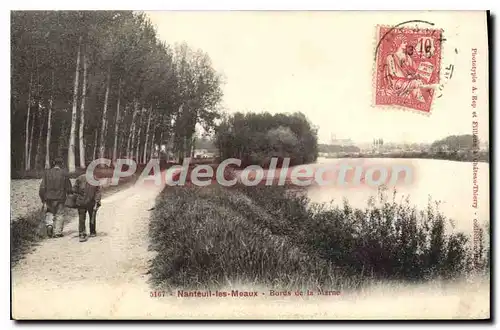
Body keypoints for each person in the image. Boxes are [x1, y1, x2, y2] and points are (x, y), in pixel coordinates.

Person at [39, 157, 73, 238]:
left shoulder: (47, 173)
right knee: (60, 214)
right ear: (61, 164)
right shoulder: (64, 173)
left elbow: (42, 187)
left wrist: (43, 198)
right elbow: (68, 187)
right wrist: (69, 195)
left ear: (54, 163)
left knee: (49, 212)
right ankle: (57, 232)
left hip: (48, 197)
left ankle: (49, 225)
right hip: (60, 197)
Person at [73, 172, 101, 242]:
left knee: (82, 218)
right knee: (92, 216)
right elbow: (98, 191)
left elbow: (74, 189)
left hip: (81, 201)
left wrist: (78, 196)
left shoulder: (80, 178)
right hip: (91, 201)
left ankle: (82, 234)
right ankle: (92, 232)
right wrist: (97, 201)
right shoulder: (95, 179)